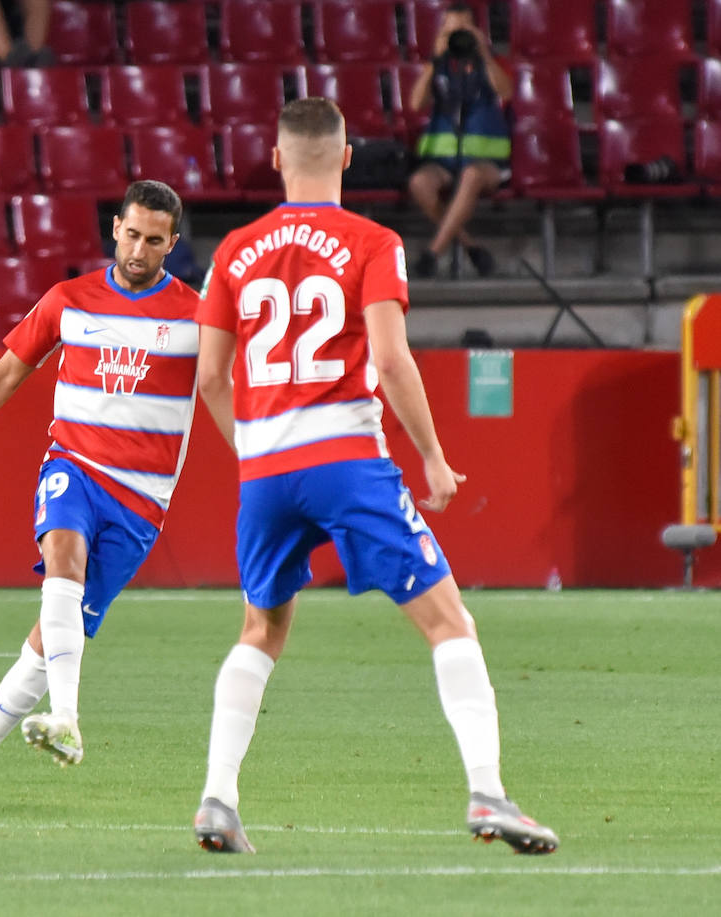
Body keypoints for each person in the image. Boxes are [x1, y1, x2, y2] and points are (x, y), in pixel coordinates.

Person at [190, 98, 558, 855]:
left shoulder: (233, 249)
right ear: (348, 157)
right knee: (448, 620)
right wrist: (430, 454)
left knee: (262, 627)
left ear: (277, 156)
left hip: (264, 468)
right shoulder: (373, 241)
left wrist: (254, 448)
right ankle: (488, 791)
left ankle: (217, 800)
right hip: (346, 460)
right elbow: (389, 359)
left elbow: (209, 376)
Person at [0, 181, 199, 797]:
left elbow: (231, 387)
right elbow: (8, 370)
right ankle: (67, 720)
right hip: (73, 466)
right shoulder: (70, 300)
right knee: (60, 560)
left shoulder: (196, 317)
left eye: (155, 239)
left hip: (142, 501)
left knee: (46, 644)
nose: (139, 248)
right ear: (115, 227)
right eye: (132, 233)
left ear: (171, 244)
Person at [405, 2, 511, 279]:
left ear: (477, 31)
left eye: (464, 29)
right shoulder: (438, 67)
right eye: (451, 30)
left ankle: (432, 254)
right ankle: (472, 247)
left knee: (472, 174)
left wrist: (485, 55)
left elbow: (507, 91)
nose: (458, 36)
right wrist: (432, 62)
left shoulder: (489, 64)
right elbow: (416, 103)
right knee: (419, 183)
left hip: (486, 163)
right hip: (444, 161)